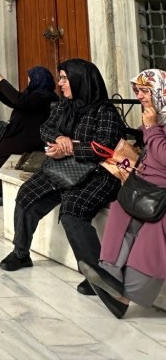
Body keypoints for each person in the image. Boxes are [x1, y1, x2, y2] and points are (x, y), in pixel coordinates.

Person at [0, 58, 128, 290]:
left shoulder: (105, 111)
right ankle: (20, 253)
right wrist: (59, 138)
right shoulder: (64, 106)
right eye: (60, 78)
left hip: (98, 173)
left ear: (81, 80)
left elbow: (105, 147)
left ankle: (96, 274)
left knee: (72, 210)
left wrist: (70, 148)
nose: (60, 83)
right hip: (64, 168)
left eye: (65, 79)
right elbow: (45, 128)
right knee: (27, 194)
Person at [80, 68, 166, 319]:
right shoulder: (158, 118)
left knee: (155, 230)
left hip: (162, 195)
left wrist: (151, 128)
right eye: (137, 91)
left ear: (160, 92)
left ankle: (126, 295)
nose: (139, 96)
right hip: (147, 187)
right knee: (120, 208)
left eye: (144, 91)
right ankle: (110, 276)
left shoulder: (155, 122)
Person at [0, 66, 58, 205]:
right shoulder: (33, 93)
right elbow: (16, 102)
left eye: (30, 78)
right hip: (20, 133)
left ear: (38, 79)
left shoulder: (44, 96)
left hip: (31, 138)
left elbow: (20, 101)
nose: (28, 81)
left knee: (1, 152)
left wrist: (1, 81)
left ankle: (3, 193)